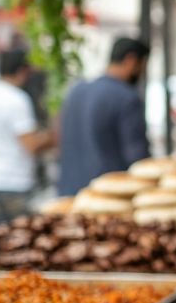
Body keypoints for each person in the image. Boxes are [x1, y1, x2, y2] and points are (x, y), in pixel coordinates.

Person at [56, 37, 151, 195]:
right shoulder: (127, 97)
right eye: (142, 66)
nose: (142, 73)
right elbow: (138, 160)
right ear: (131, 60)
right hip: (108, 198)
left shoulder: (76, 91)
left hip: (69, 194)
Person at [0, 50, 57, 223]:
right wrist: (51, 137)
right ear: (23, 71)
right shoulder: (17, 99)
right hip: (14, 182)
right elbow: (31, 145)